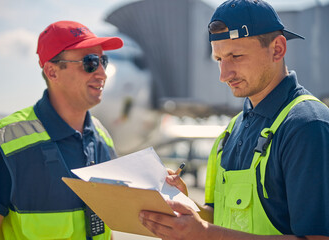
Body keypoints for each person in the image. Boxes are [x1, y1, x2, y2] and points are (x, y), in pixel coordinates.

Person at [139, 0, 329, 239]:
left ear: (278, 49)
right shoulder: (232, 130)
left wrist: (204, 235)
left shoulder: (307, 126)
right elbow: (221, 218)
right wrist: (184, 208)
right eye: (218, 59)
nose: (223, 75)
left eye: (236, 56)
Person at [0, 20, 123, 239]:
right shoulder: (6, 141)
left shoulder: (103, 139)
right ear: (52, 71)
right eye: (90, 62)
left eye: (103, 61)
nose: (102, 73)